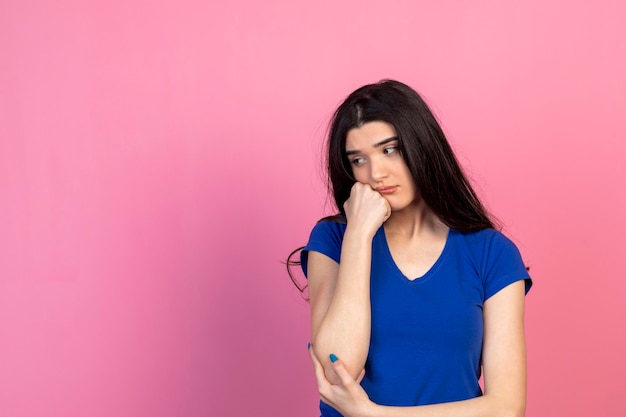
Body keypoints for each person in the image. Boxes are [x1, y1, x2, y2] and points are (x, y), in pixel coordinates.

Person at [288, 79, 532, 417]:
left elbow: (507, 408)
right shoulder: (333, 241)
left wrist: (374, 415)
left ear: (422, 146)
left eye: (390, 150)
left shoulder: (492, 254)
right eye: (358, 160)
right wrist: (358, 234)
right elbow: (337, 369)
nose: (376, 173)